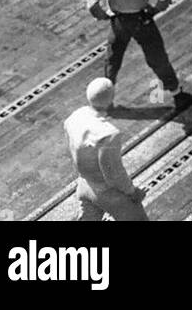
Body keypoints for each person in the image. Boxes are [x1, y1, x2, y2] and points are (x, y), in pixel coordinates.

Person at [85, 0, 192, 108]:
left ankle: (106, 101)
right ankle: (177, 94)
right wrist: (155, 9)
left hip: (119, 22)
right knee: (157, 58)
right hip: (142, 20)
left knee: (112, 61)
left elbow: (92, 3)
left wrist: (104, 14)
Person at [63, 78, 149, 221]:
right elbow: (112, 172)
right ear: (110, 100)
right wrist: (132, 192)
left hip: (85, 184)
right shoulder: (108, 134)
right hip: (108, 194)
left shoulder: (75, 117)